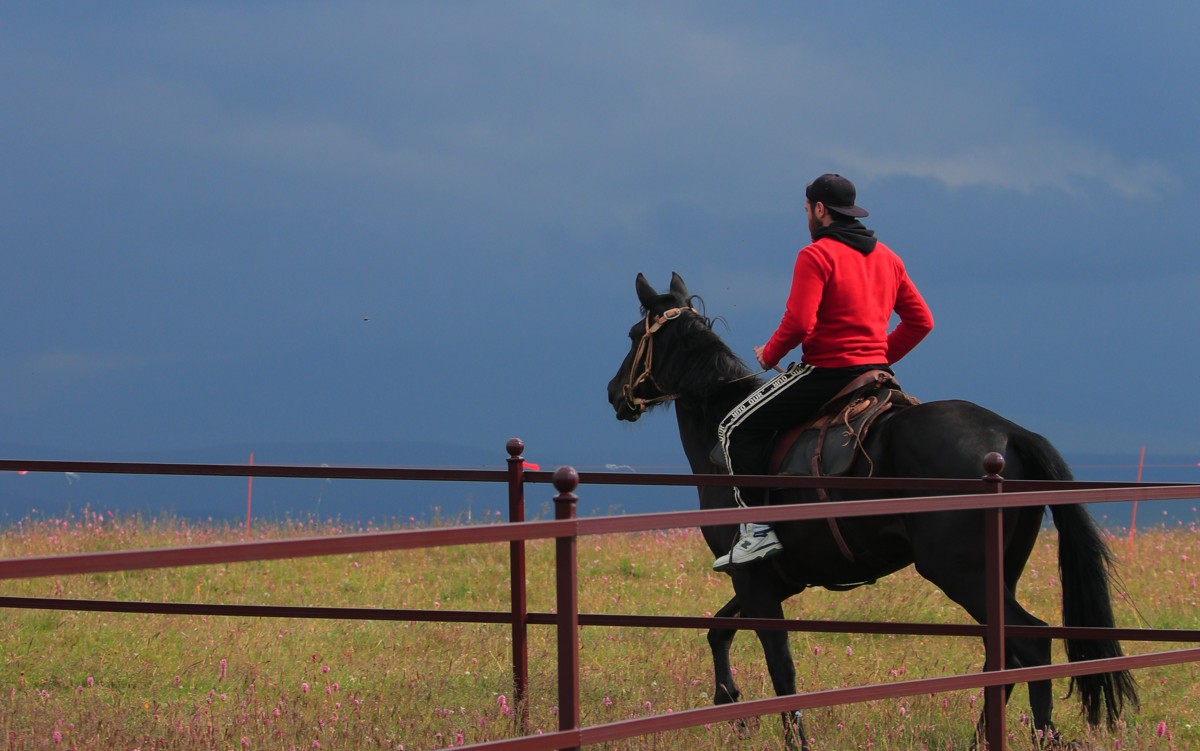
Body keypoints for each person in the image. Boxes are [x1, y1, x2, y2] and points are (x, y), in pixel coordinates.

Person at [713, 173, 934, 572]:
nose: (807, 219)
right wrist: (880, 353)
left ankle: (757, 531)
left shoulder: (815, 255)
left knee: (734, 430)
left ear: (819, 210)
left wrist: (769, 354)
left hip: (829, 371)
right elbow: (921, 322)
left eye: (806, 210)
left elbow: (799, 322)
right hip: (877, 375)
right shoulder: (889, 257)